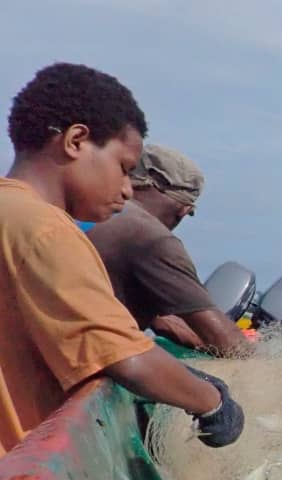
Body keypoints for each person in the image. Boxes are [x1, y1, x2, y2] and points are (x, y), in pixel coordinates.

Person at [0, 63, 244, 455]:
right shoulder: (46, 229)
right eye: (124, 168)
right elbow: (126, 358)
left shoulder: (12, 213)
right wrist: (212, 402)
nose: (128, 189)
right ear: (76, 141)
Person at [87, 144, 250, 357]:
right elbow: (228, 343)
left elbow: (163, 322)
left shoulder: (88, 210)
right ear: (184, 210)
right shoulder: (150, 238)